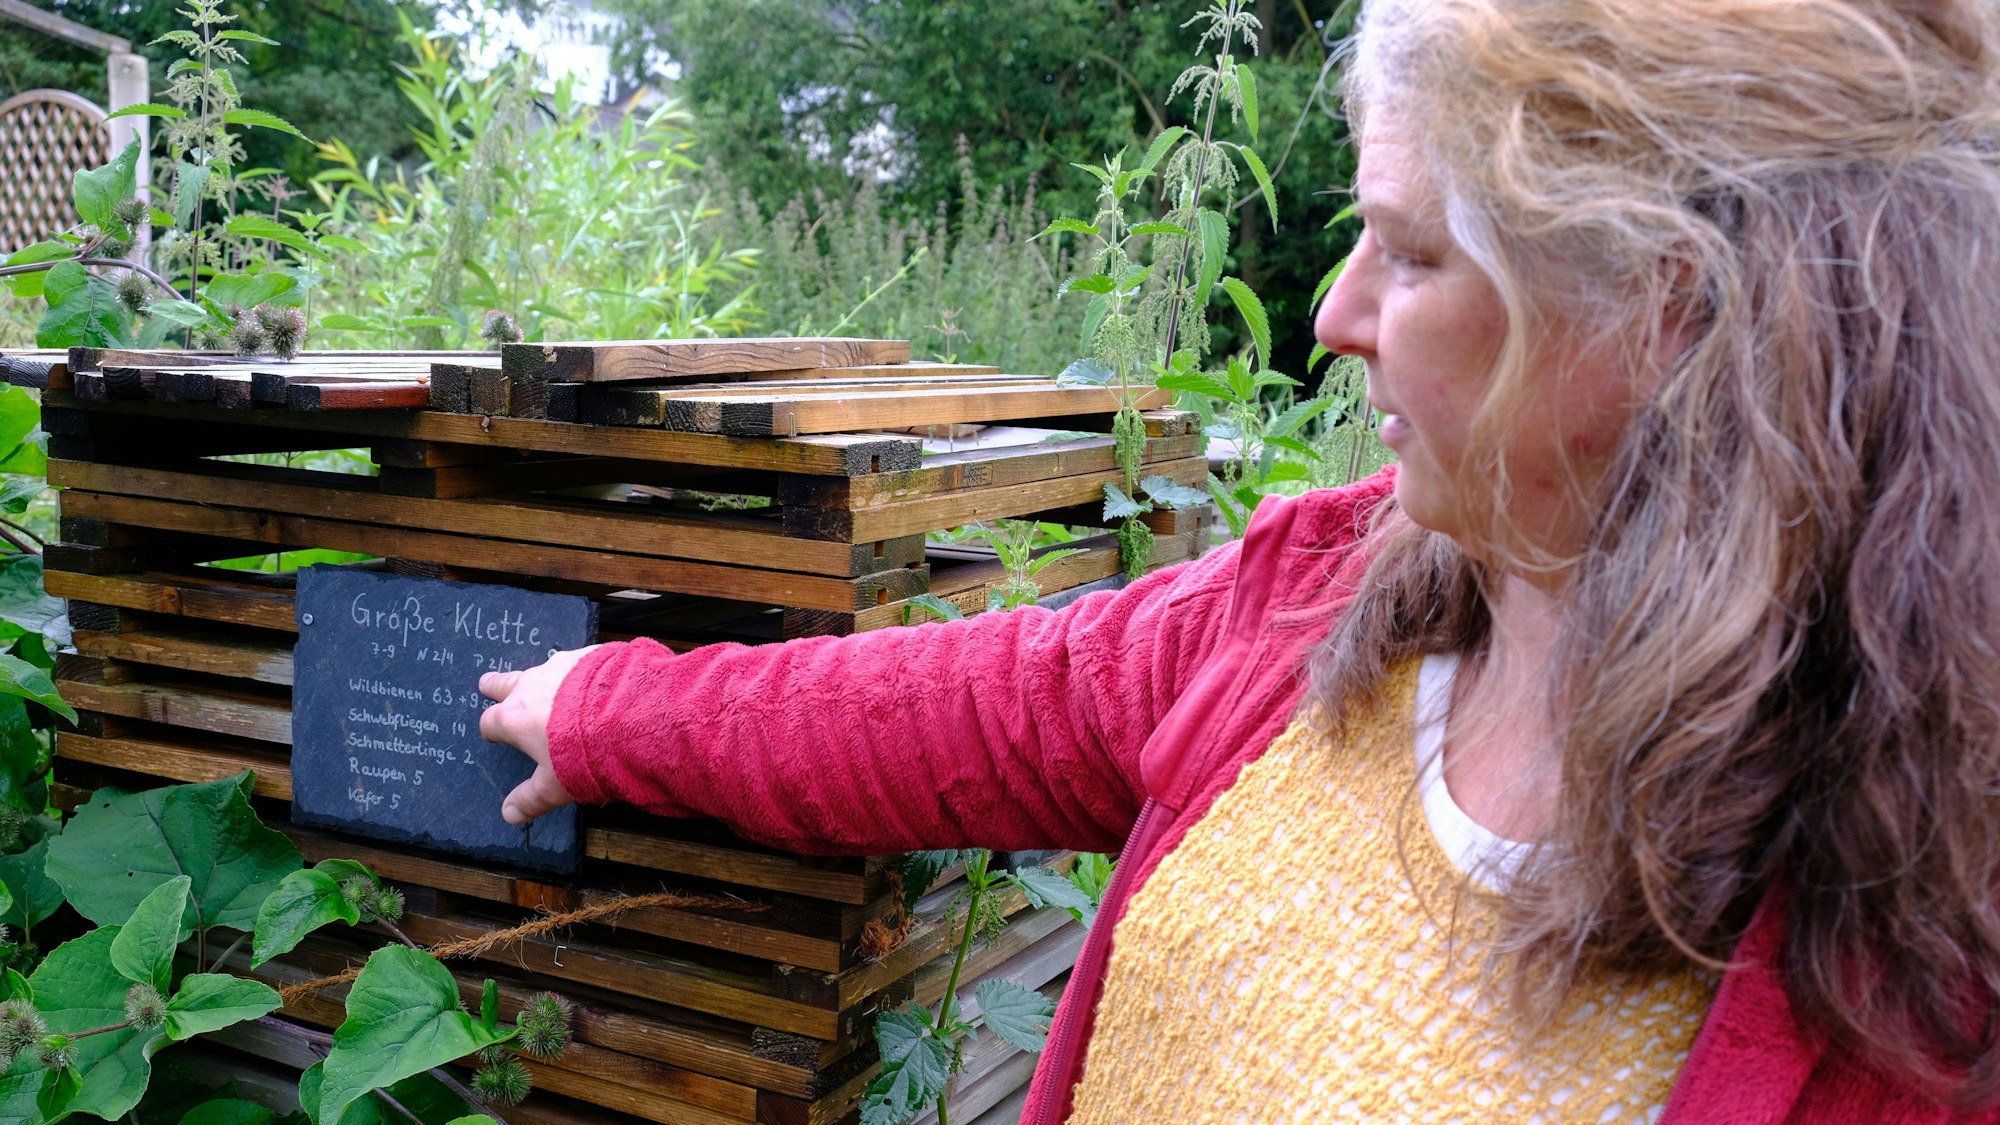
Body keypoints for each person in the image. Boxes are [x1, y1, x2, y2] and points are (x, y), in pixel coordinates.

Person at [475, 0, 2000, 1119]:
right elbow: (951, 706)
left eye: (1410, 252)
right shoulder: (1325, 607)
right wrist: (606, 710)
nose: (1335, 311)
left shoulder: (1932, 934)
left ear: (1672, 310)